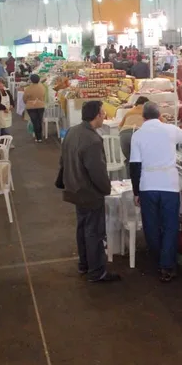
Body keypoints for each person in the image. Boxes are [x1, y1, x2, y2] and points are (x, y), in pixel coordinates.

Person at [129, 102, 182, 282]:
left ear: (143, 117)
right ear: (159, 114)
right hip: (169, 184)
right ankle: (167, 265)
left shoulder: (137, 135)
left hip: (147, 185)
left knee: (151, 225)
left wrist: (136, 192)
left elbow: (135, 166)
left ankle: (157, 260)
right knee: (170, 226)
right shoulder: (170, 130)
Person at [57, 101, 119, 283]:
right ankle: (97, 271)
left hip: (74, 188)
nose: (104, 116)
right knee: (94, 232)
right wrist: (106, 188)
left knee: (82, 228)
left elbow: (62, 160)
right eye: (102, 113)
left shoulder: (72, 131)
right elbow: (97, 171)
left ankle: (84, 264)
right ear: (96, 116)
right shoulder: (92, 140)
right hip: (89, 192)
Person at [119, 96, 149, 170]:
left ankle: (129, 180)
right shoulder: (147, 111)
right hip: (137, 132)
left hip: (124, 134)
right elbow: (161, 121)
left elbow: (119, 126)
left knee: (130, 160)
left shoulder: (129, 112)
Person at [23, 74, 47, 142]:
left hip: (31, 107)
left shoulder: (28, 88)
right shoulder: (42, 87)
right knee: (39, 121)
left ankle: (38, 137)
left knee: (35, 122)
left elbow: (24, 99)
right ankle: (40, 137)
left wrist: (28, 102)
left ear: (31, 80)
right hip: (41, 105)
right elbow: (44, 96)